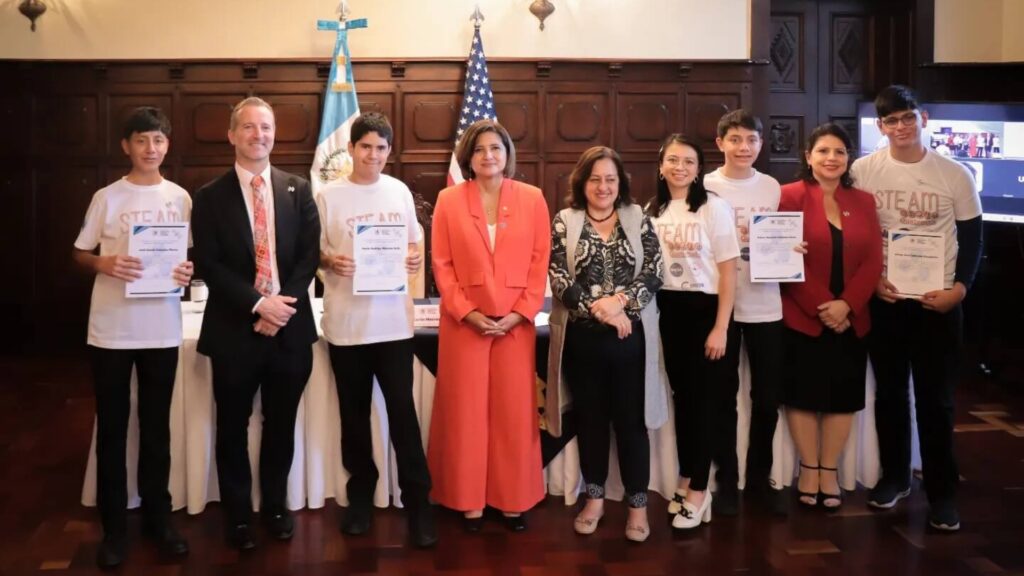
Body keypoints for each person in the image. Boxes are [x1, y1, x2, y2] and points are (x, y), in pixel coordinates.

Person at [191, 97, 321, 550]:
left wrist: (279, 307)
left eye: (265, 127)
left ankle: (276, 507)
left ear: (274, 134)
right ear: (232, 135)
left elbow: (309, 256)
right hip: (234, 331)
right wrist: (257, 304)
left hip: (290, 330)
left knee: (281, 423)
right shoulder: (208, 197)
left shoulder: (297, 189)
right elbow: (208, 261)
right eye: (248, 127)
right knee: (232, 425)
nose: (258, 135)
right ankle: (239, 517)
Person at [851, 85, 983, 532]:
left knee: (937, 402)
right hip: (887, 301)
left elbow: (972, 239)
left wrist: (960, 290)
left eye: (908, 117)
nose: (902, 127)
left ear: (923, 118)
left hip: (938, 304)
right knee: (889, 395)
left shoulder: (955, 174)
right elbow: (857, 238)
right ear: (881, 127)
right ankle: (895, 477)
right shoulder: (864, 171)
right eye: (892, 121)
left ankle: (943, 493)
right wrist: (872, 283)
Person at [73, 106, 193, 569]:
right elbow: (80, 252)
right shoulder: (107, 197)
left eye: (159, 140)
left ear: (168, 145)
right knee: (113, 430)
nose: (151, 149)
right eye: (142, 140)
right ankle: (114, 529)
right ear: (127, 146)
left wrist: (185, 270)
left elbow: (184, 257)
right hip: (111, 331)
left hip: (161, 328)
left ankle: (159, 520)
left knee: (157, 428)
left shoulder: (181, 197)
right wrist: (103, 263)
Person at [316, 112, 437, 548]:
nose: (374, 155)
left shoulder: (399, 191)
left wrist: (411, 260)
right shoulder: (327, 196)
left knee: (403, 415)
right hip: (347, 325)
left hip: (392, 325)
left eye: (382, 147)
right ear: (350, 149)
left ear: (389, 151)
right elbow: (313, 254)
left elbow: (412, 246)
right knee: (353, 416)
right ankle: (361, 496)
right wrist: (330, 262)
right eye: (366, 146)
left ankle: (418, 502)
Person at [428, 119, 551, 532]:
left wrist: (522, 311)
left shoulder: (533, 198)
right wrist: (466, 311)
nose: (488, 156)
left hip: (516, 323)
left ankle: (512, 498)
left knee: (513, 413)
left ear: (507, 153)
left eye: (495, 148)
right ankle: (468, 499)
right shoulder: (448, 200)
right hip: (465, 323)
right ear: (468, 156)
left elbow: (540, 262)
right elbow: (441, 266)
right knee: (465, 412)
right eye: (479, 149)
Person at [548, 146, 665, 542]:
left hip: (632, 340)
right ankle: (594, 499)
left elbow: (653, 271)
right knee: (592, 421)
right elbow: (559, 277)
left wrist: (620, 305)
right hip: (583, 340)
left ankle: (637, 505)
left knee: (632, 424)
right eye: (595, 178)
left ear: (621, 183)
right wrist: (601, 311)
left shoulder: (638, 217)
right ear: (582, 182)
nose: (603, 186)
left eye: (610, 179)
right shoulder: (565, 220)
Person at [779, 124, 882, 510]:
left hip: (852, 318)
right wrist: (823, 305)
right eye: (823, 151)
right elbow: (781, 255)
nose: (831, 158)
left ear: (848, 158)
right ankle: (808, 467)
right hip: (803, 315)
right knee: (803, 395)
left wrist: (847, 305)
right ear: (808, 156)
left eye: (839, 151)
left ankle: (830, 470)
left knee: (842, 397)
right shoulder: (788, 196)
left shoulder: (865, 200)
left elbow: (874, 259)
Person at [648, 135, 738, 529]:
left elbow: (729, 272)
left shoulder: (713, 208)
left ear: (699, 169)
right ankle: (686, 477)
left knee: (703, 405)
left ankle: (700, 492)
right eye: (673, 160)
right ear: (661, 165)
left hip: (707, 313)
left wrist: (721, 327)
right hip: (670, 312)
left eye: (688, 161)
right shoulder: (655, 209)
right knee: (684, 401)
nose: (680, 167)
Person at [704, 109, 787, 516]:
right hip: (720, 307)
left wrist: (793, 250)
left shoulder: (772, 187)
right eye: (735, 139)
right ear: (720, 143)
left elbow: (782, 237)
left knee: (767, 398)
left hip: (766, 303)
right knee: (723, 397)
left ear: (760, 145)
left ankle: (759, 478)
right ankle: (726, 478)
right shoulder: (705, 186)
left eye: (751, 140)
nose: (744, 147)